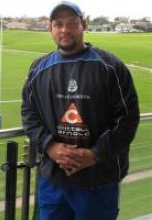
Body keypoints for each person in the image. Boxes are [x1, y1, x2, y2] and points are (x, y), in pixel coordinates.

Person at [21, 1, 140, 219]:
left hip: (99, 180)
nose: (64, 30)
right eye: (58, 24)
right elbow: (29, 114)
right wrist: (50, 147)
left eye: (71, 23)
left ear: (83, 24)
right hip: (53, 180)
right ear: (50, 29)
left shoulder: (111, 66)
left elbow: (128, 120)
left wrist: (94, 155)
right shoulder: (38, 68)